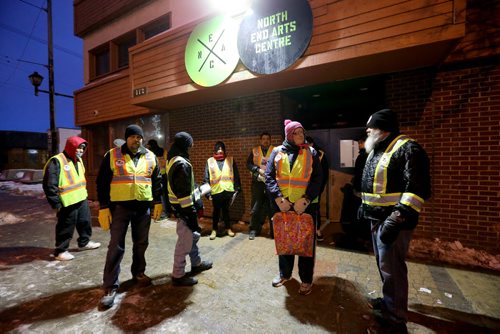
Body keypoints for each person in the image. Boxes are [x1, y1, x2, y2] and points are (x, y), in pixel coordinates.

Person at [359, 109, 431, 333]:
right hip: (377, 217)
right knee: (385, 266)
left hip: (394, 221)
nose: (367, 130)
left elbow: (418, 189)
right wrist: (365, 205)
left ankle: (395, 320)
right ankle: (390, 302)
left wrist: (398, 217)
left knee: (393, 269)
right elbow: (374, 185)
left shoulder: (408, 149)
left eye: (371, 126)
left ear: (384, 128)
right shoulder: (377, 149)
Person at [96, 124, 163, 309]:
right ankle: (110, 287)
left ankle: (138, 273)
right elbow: (102, 182)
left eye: (139, 137)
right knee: (116, 246)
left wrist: (158, 202)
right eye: (133, 136)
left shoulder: (150, 156)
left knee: (141, 244)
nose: (137, 140)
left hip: (143, 208)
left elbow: (157, 180)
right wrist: (103, 207)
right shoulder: (113, 155)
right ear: (127, 138)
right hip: (120, 208)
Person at [266, 120, 323, 296]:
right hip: (283, 206)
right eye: (296, 133)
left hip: (303, 207)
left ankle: (306, 280)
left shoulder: (311, 152)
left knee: (305, 245)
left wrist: (306, 199)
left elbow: (318, 179)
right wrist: (278, 198)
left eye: (301, 133)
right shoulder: (276, 152)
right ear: (288, 135)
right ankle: (285, 274)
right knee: (285, 242)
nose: (300, 136)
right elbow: (269, 177)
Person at [42, 136, 100, 261]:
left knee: (85, 222)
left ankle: (84, 243)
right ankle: (60, 251)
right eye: (78, 147)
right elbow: (49, 184)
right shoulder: (57, 161)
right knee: (66, 226)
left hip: (81, 198)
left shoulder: (78, 161)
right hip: (66, 201)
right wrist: (55, 203)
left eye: (82, 148)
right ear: (70, 147)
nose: (80, 151)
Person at [166, 132, 213, 286]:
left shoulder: (174, 159)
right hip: (184, 211)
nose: (192, 147)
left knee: (191, 239)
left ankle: (196, 263)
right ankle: (178, 274)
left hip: (182, 209)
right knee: (184, 242)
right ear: (186, 145)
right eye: (190, 144)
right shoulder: (182, 163)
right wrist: (192, 216)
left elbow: (186, 187)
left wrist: (198, 191)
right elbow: (184, 194)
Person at [203, 141, 241, 240]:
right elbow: (206, 178)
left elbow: (236, 175)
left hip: (227, 190)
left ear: (224, 149)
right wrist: (207, 193)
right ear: (215, 150)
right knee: (216, 211)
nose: (220, 150)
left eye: (221, 148)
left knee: (226, 211)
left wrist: (237, 188)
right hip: (216, 191)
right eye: (218, 148)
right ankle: (214, 230)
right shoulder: (210, 161)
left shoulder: (230, 160)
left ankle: (228, 228)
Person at [246, 132, 274, 240]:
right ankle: (254, 229)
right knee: (256, 208)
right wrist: (257, 170)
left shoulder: (275, 151)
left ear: (270, 140)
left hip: (271, 183)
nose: (266, 140)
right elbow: (248, 164)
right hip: (258, 183)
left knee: (272, 208)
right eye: (264, 139)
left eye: (268, 138)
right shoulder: (255, 151)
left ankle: (273, 232)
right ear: (260, 140)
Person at [305, 136, 329, 242]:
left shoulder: (320, 154)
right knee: (304, 209)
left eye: (308, 144)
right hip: (301, 189)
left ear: (311, 144)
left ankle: (317, 230)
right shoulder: (300, 153)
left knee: (315, 209)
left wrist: (319, 189)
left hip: (315, 188)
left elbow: (324, 174)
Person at [147, 139, 172, 218]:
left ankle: (157, 211)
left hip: (153, 176)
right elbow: (166, 162)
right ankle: (166, 211)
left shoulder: (149, 153)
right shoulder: (163, 151)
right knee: (164, 193)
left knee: (155, 194)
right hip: (163, 175)